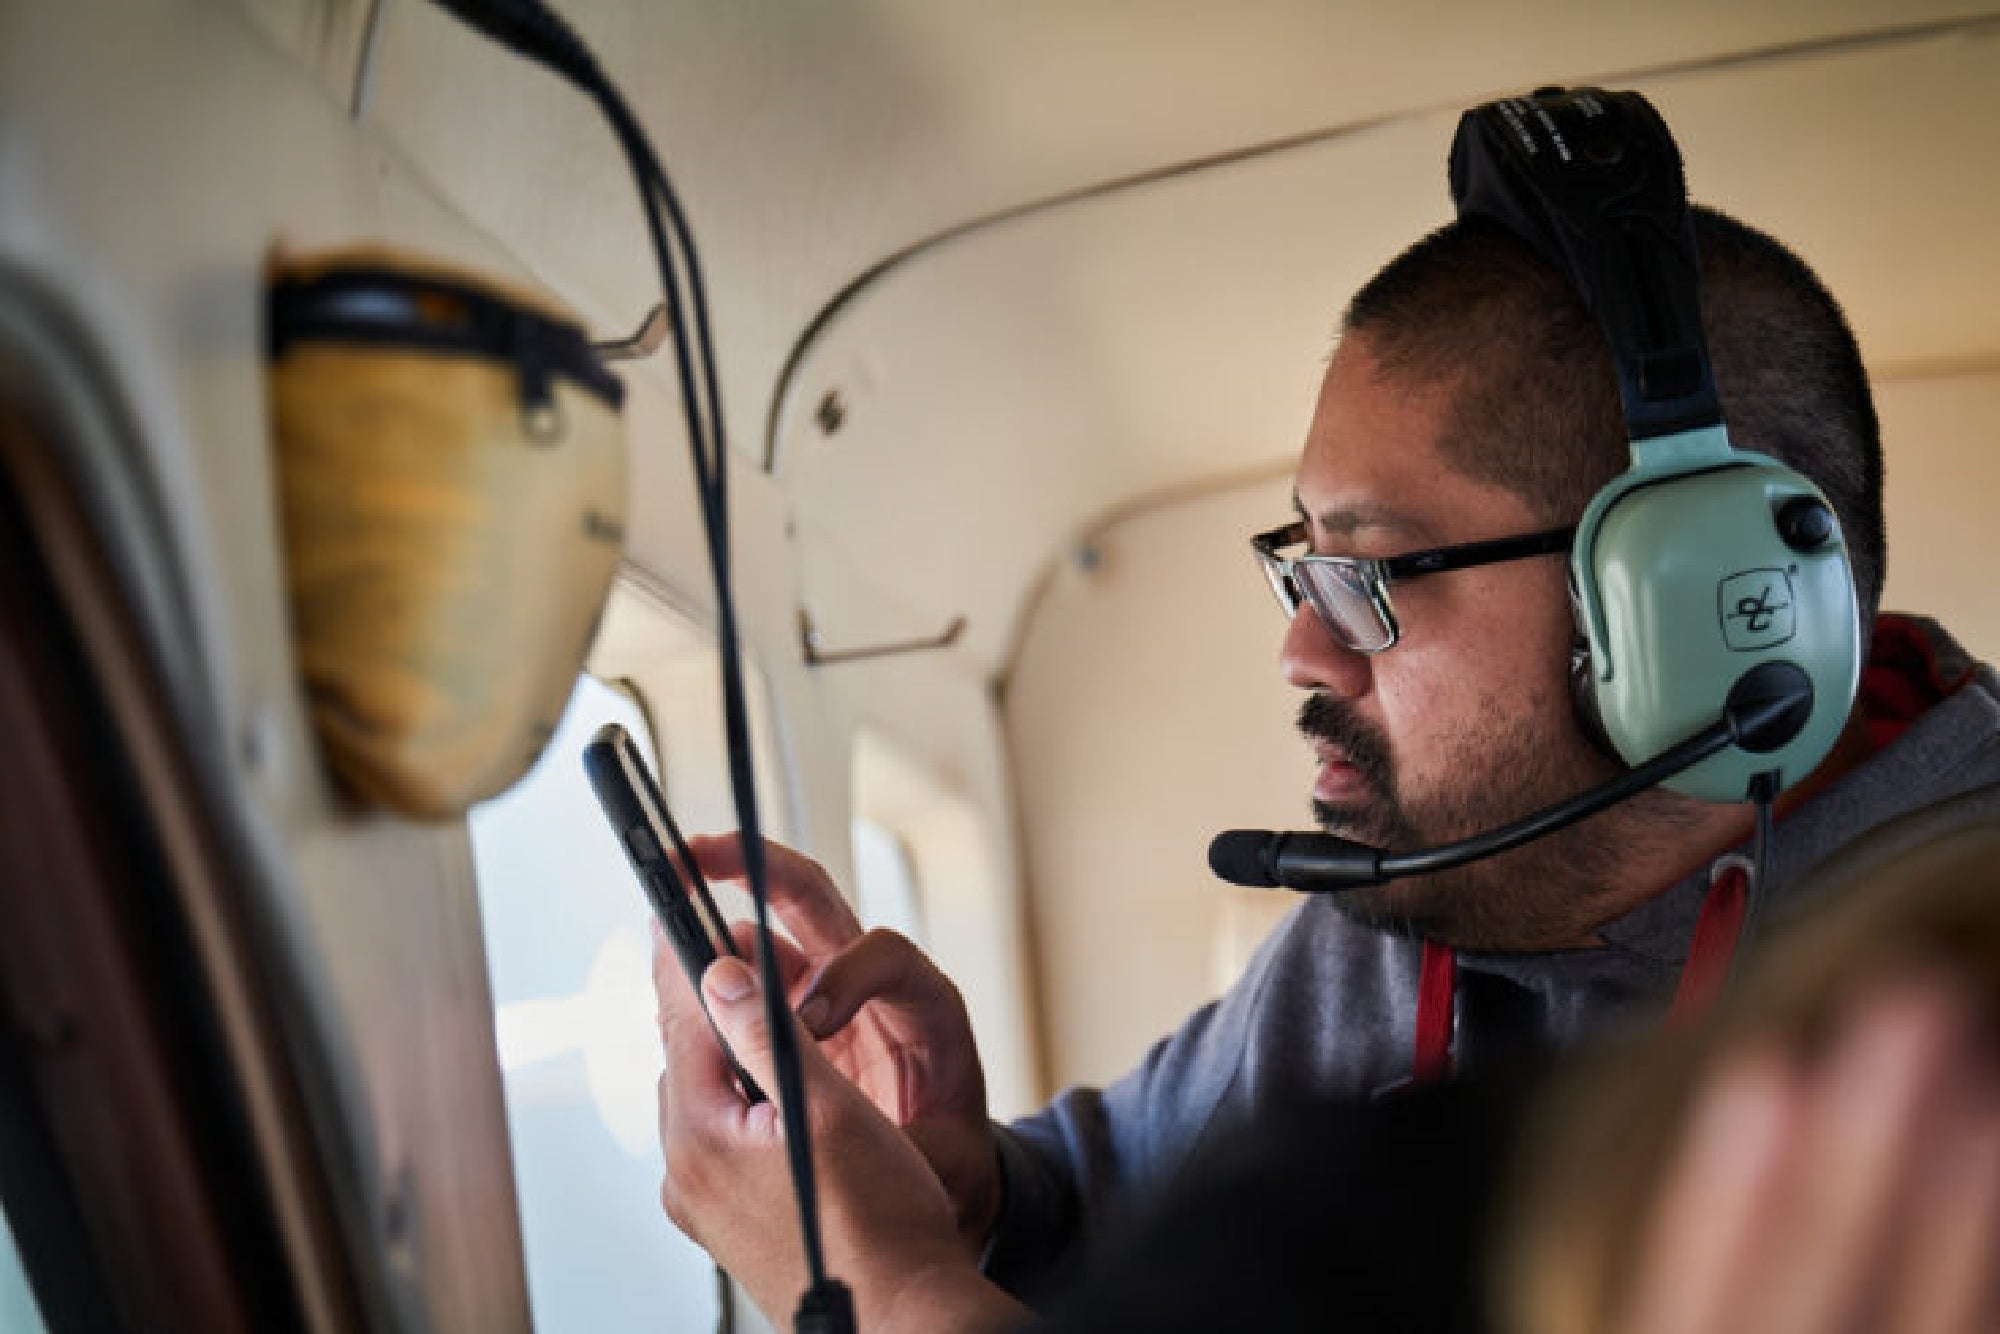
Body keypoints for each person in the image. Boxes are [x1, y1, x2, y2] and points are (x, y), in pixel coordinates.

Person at [652, 156, 2000, 1323]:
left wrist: (877, 1293)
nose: (1303, 650)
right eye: (1302, 567)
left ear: (1706, 613)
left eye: (1371, 572)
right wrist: (973, 1195)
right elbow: (1124, 1192)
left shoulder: (1950, 1040)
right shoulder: (1416, 906)